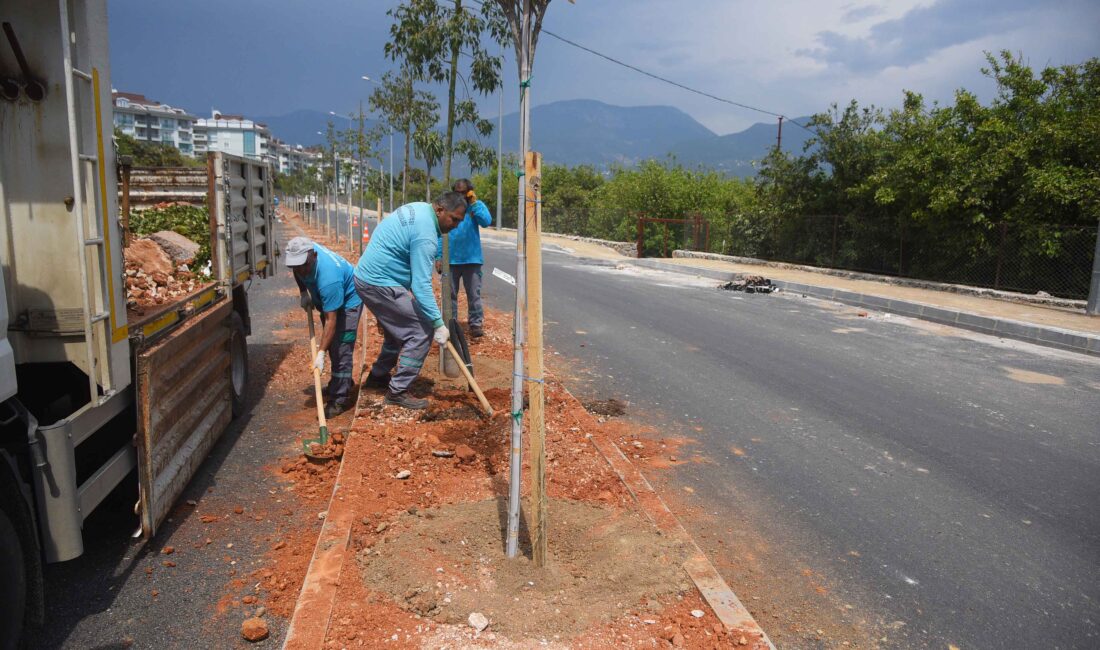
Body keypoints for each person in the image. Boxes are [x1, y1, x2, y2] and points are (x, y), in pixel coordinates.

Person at [353, 192, 468, 409]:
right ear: (440, 209)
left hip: (370, 277)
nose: (455, 226)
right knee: (420, 330)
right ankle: (397, 391)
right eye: (453, 219)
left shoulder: (422, 209)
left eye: (459, 222)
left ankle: (378, 376)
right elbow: (421, 287)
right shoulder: (425, 234)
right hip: (379, 282)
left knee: (398, 330)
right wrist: (437, 323)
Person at [285, 237, 362, 418]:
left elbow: (331, 320)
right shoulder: (302, 258)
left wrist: (320, 353)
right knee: (332, 345)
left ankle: (339, 399)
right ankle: (341, 381)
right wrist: (303, 292)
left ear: (314, 256)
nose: (300, 270)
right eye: (295, 266)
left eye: (304, 265)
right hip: (328, 301)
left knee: (341, 347)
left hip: (349, 301)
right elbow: (297, 271)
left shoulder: (329, 279)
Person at [439, 178, 493, 338]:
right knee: (450, 295)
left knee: (474, 295)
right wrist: (438, 255)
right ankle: (452, 323)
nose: (461, 196)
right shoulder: (447, 208)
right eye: (458, 192)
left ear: (469, 192)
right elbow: (440, 232)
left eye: (464, 192)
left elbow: (486, 221)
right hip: (451, 260)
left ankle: (476, 324)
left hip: (472, 260)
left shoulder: (475, 207)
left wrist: (474, 203)